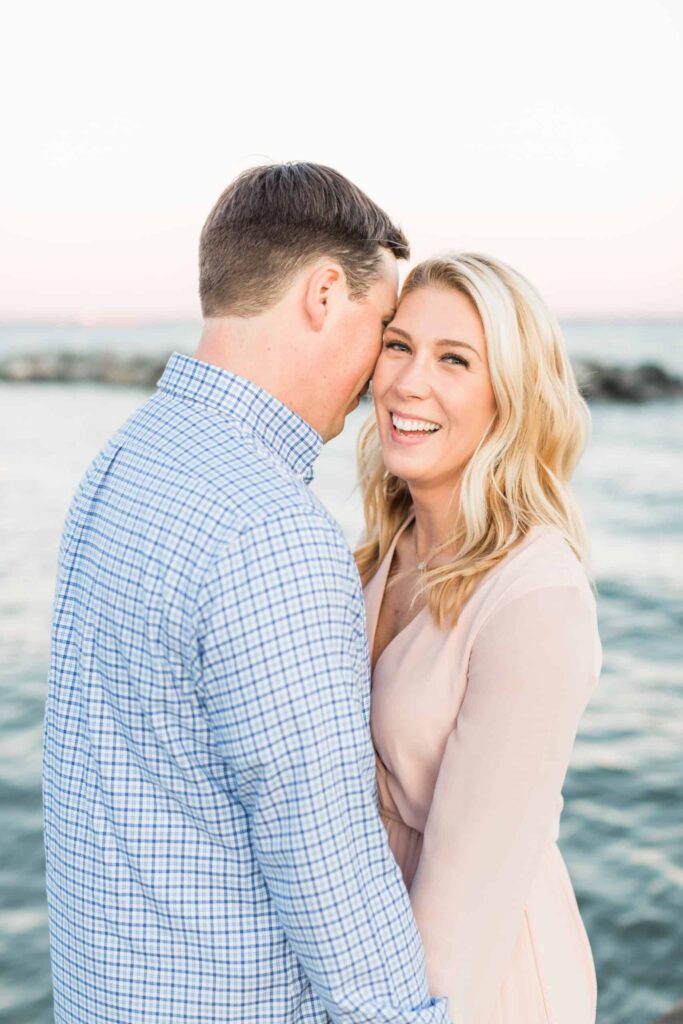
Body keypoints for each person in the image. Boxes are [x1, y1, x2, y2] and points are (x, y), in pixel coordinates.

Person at [42, 164, 452, 1024]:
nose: (384, 373)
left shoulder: (123, 462)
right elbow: (326, 856)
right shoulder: (272, 528)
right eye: (383, 329)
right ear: (324, 292)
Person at [356, 253, 601, 1024]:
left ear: (513, 397)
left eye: (453, 359)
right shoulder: (381, 551)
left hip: (482, 989)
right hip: (376, 969)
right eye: (398, 345)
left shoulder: (533, 601)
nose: (406, 382)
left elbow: (461, 927)